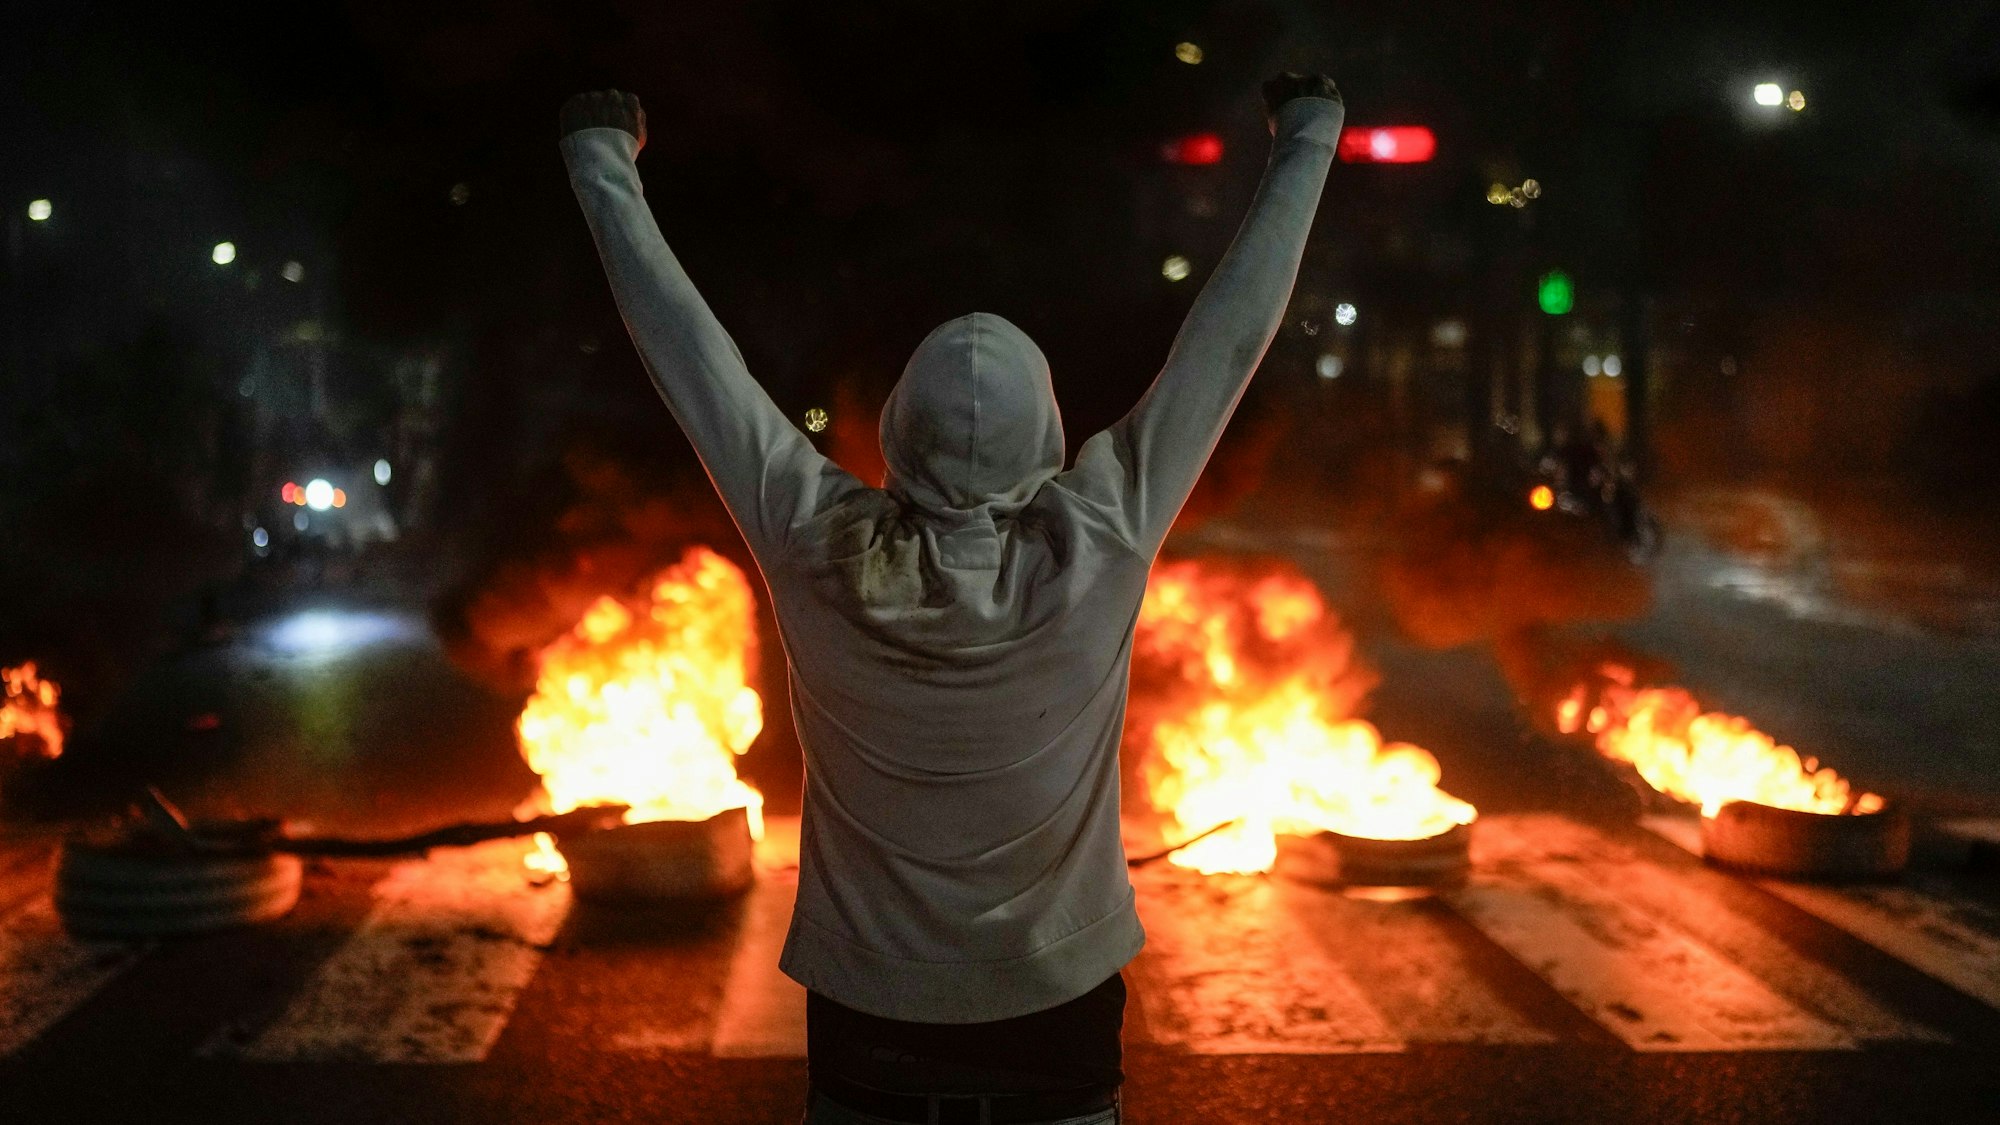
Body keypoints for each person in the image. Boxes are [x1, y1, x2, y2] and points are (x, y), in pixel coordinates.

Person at [559, 73, 1344, 1125]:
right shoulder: (1097, 538)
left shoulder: (813, 540)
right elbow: (1226, 340)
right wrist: (1308, 136)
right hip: (1054, 1028)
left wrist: (600, 161)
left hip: (867, 1032)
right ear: (1046, 430)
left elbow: (693, 361)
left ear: (895, 432)